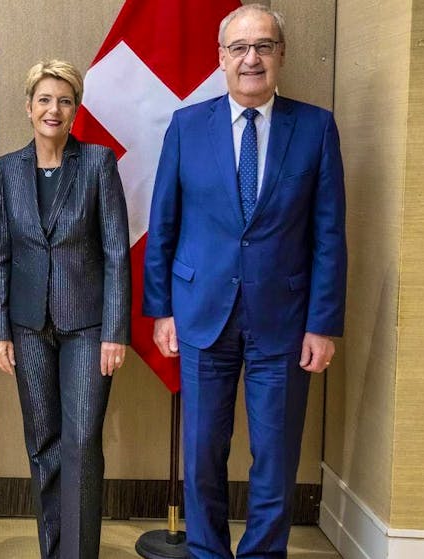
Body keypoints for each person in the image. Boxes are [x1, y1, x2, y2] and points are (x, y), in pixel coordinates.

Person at [143, 4, 347, 558]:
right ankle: (207, 551)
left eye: (263, 46)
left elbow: (329, 234)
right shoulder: (187, 126)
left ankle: (262, 553)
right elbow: (163, 222)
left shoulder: (315, 127)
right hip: (201, 315)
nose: (251, 58)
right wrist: (161, 310)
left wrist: (323, 324)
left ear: (281, 55)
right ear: (221, 58)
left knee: (275, 456)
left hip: (283, 323)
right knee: (203, 451)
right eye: (239, 48)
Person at [0, 59, 130, 559]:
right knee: (44, 442)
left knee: (82, 443)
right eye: (45, 99)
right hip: (27, 329)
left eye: (65, 100)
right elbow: (0, 255)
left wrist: (116, 330)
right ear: (29, 107)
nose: (54, 109)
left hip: (89, 327)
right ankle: (54, 550)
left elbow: (116, 251)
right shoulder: (7, 168)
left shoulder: (97, 162)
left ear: (76, 109)